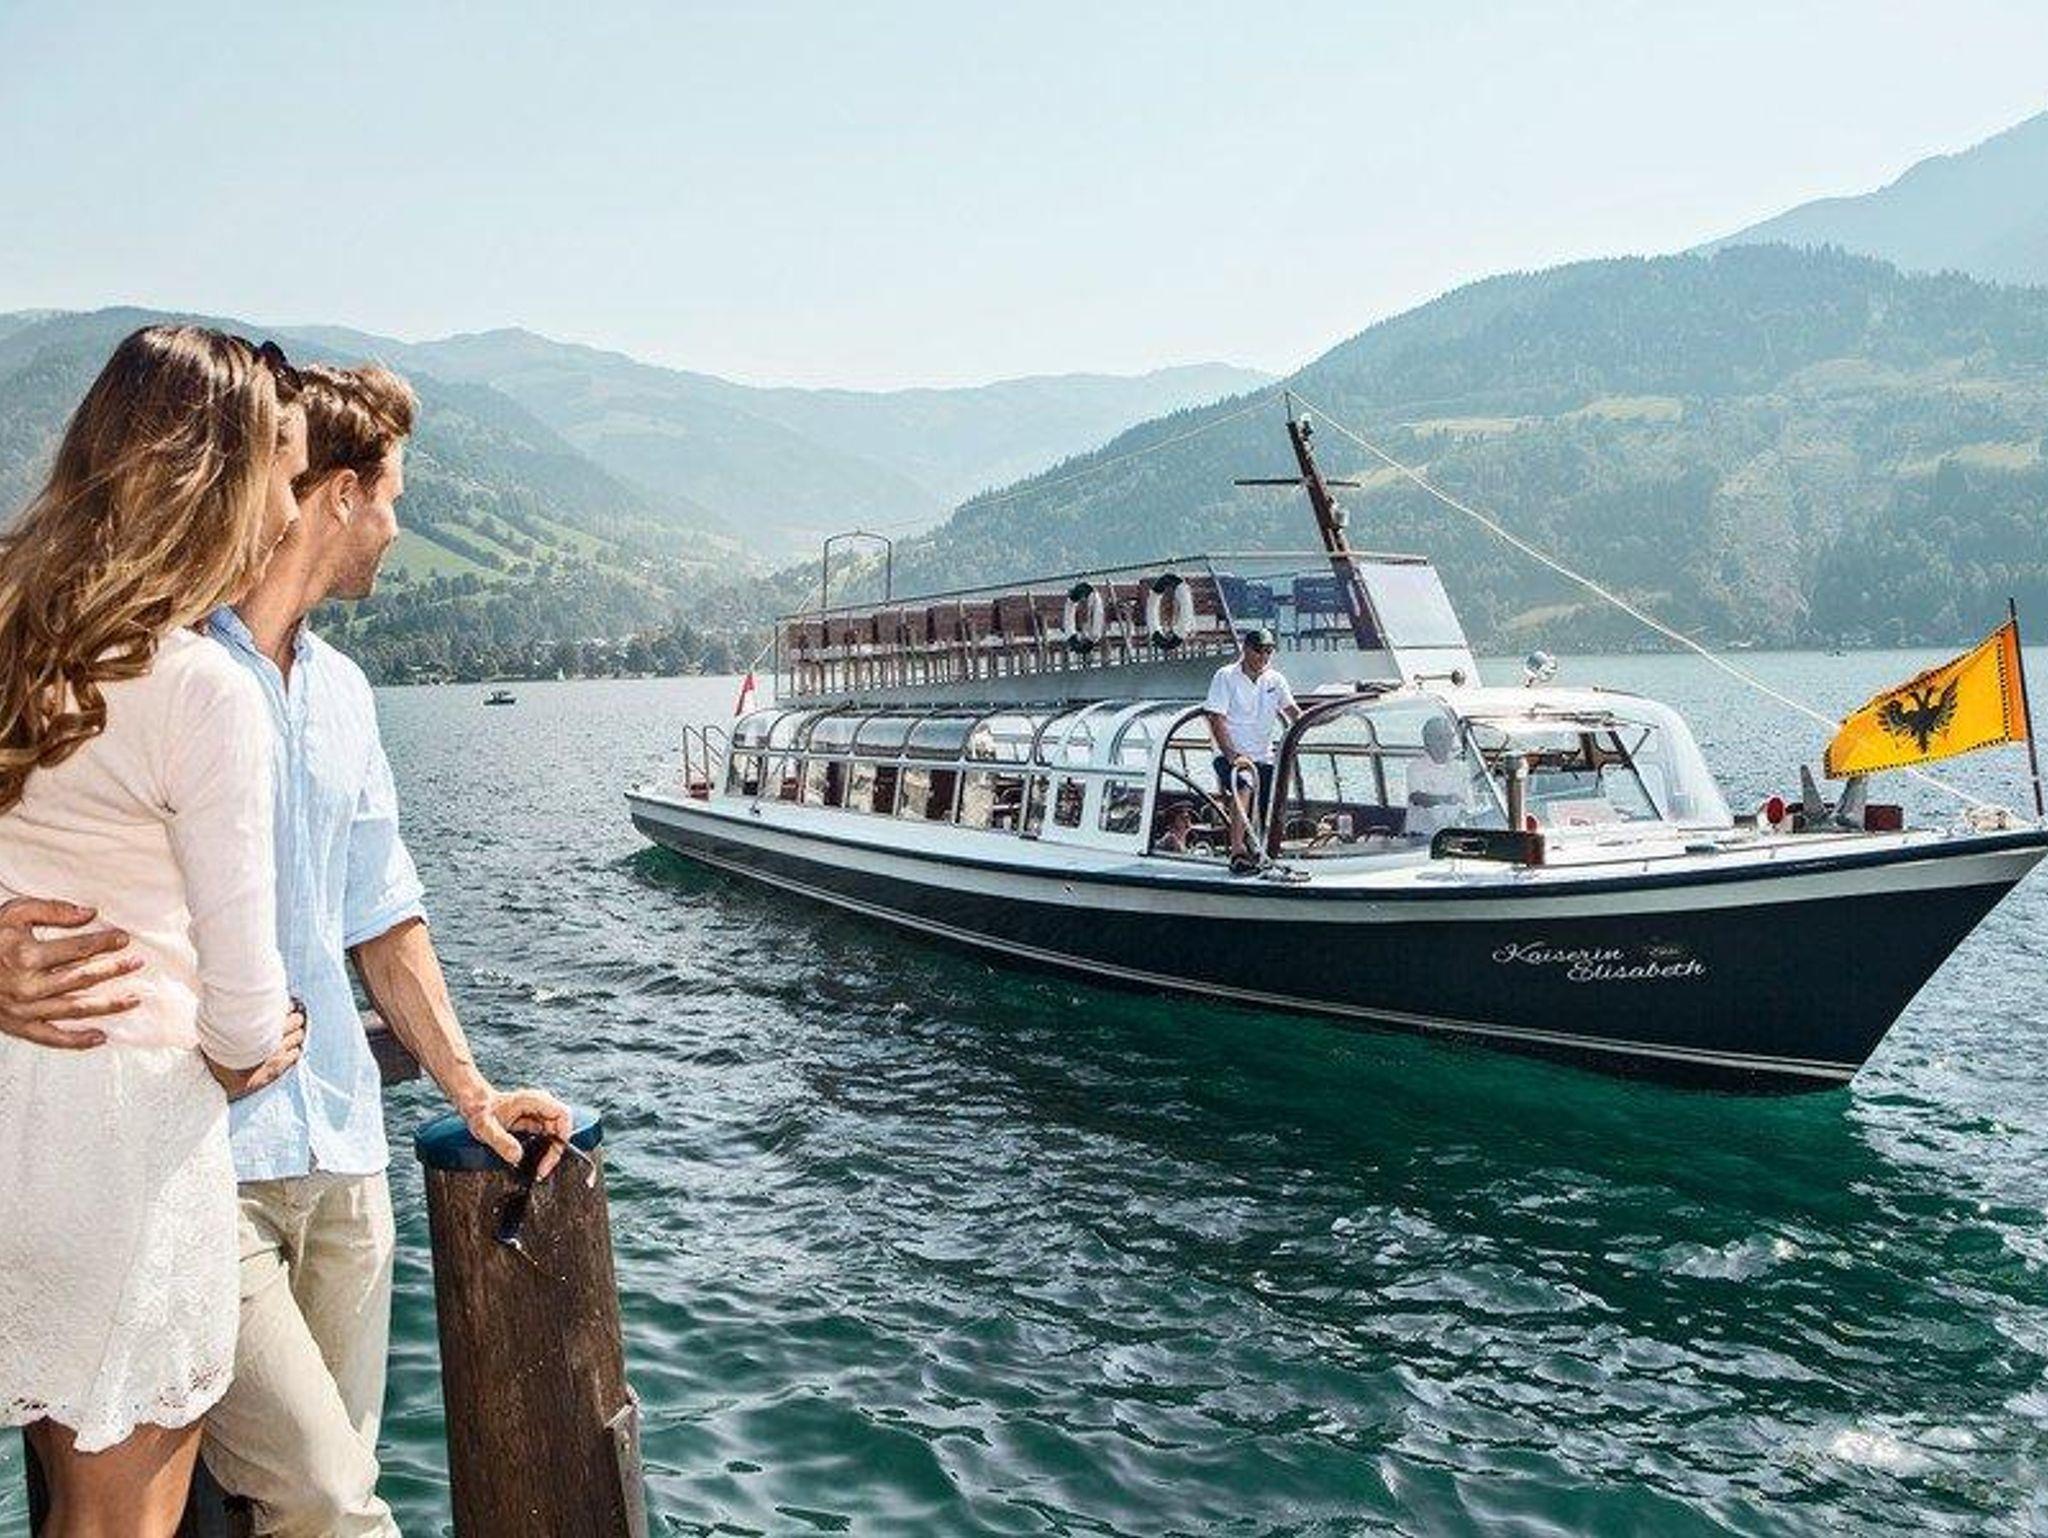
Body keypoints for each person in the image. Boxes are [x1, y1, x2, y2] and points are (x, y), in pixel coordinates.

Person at [1, 362, 573, 1536]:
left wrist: (470, 1090)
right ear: (336, 492)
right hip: (194, 1150)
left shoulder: (346, 694)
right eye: (393, 496)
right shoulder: (143, 661)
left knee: (308, 1488)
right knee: (322, 1497)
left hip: (341, 1147)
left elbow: (384, 915)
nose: (399, 527)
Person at [0, 327, 310, 1537]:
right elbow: (243, 1016)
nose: (286, 509)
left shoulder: (16, 641)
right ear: (216, 478)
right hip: (125, 1146)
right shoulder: (200, 688)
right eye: (277, 472)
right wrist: (264, 1036)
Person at [1203, 627, 1300, 873]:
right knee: (1244, 783)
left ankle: (1267, 848)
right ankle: (1237, 851)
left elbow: (1294, 713)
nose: (1264, 656)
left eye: (1269, 651)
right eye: (1259, 651)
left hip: (1262, 755)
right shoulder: (1225, 676)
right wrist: (1232, 755)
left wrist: (1326, 717)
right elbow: (1216, 718)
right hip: (1229, 754)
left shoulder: (1276, 680)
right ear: (1245, 649)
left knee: (1275, 789)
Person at [1404, 713, 1478, 839]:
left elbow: (1466, 804)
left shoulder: (1461, 768)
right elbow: (1417, 798)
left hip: (1452, 834)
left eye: (1449, 737)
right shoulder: (1415, 768)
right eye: (1440, 738)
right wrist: (1445, 799)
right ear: (1427, 741)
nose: (1446, 742)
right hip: (1421, 836)